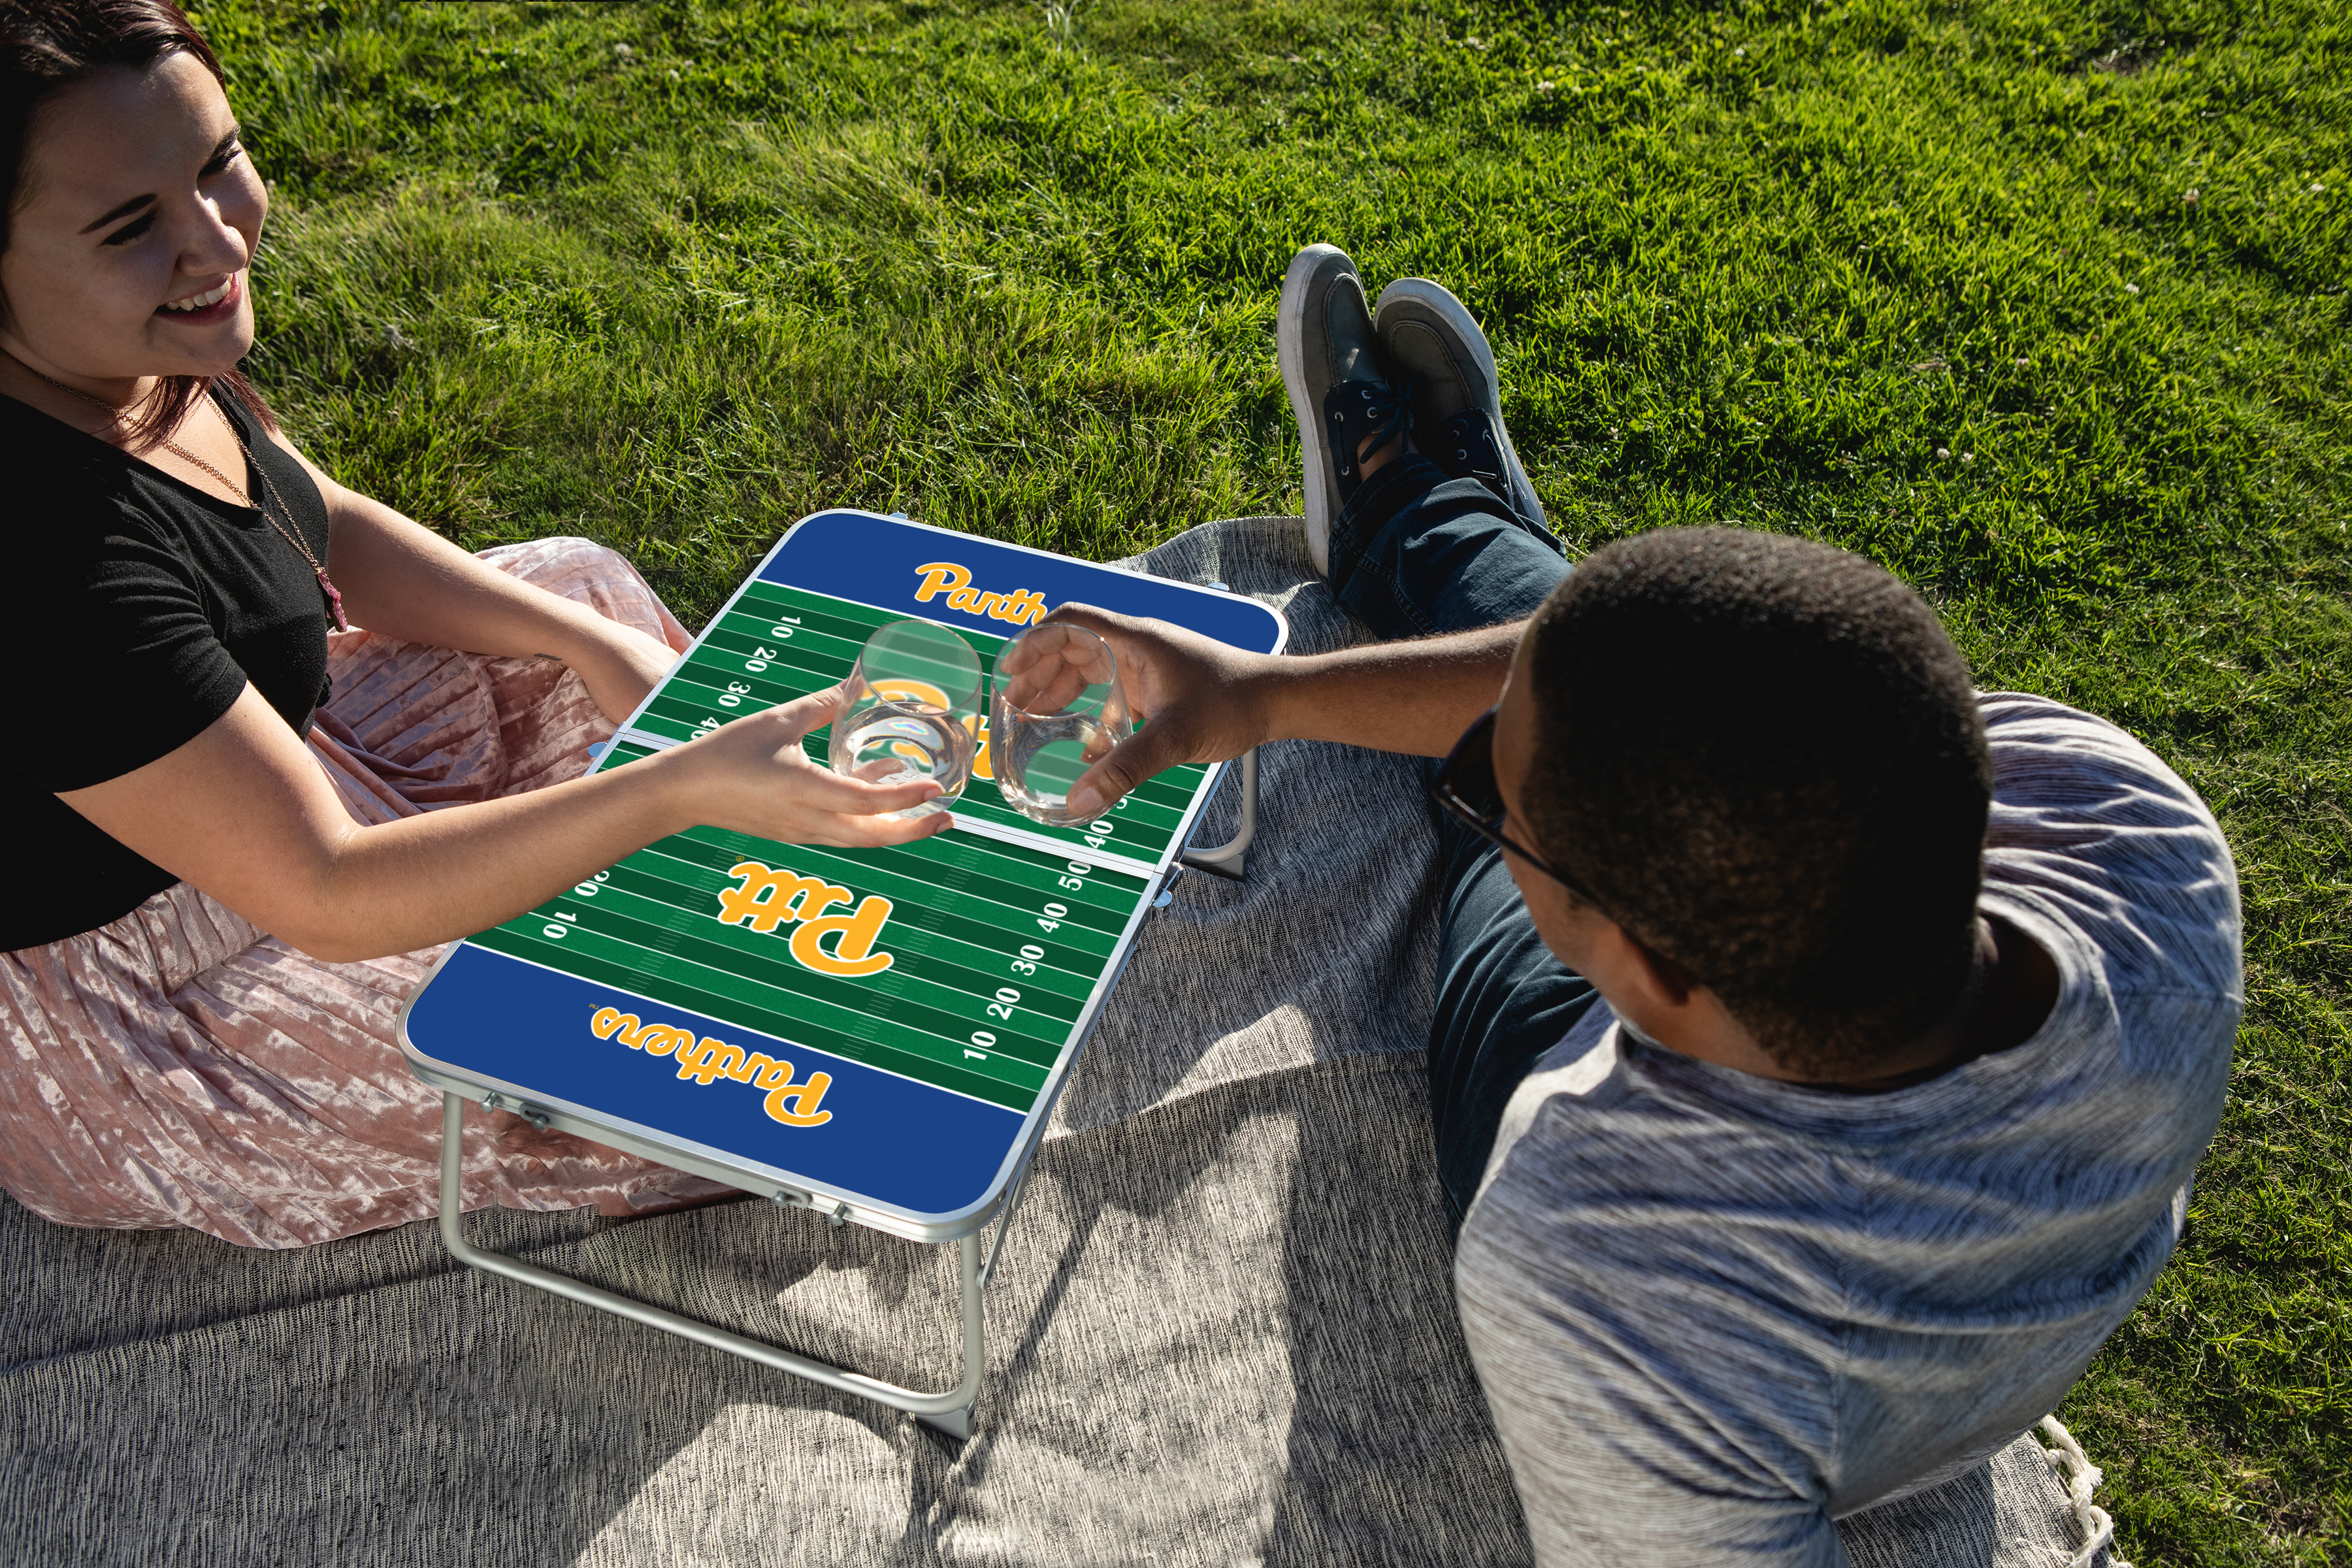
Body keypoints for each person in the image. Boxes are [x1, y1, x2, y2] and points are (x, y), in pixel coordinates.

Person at [1045, 243, 2240, 1563]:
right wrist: (1259, 697)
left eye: (1496, 809)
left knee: (1533, 772)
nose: (1479, 802)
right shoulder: (2133, 826)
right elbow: (1683, 690)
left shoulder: (1603, 1260)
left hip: (1578, 1087)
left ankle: (1428, 520)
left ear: (1645, 973)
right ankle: (1444, 525)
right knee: (1622, 670)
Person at [0, 0, 945, 1248]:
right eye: (132, 226)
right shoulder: (41, 554)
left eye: (219, 161)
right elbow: (327, 891)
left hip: (285, 774)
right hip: (163, 1003)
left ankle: (728, 839)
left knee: (575, 588)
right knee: (681, 1058)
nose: (217, 237)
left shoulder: (122, 354)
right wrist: (673, 790)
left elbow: (309, 518)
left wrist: (588, 645)